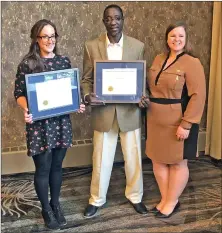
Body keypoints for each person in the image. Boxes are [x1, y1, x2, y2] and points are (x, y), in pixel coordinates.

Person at [14, 19, 85, 229]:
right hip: (39, 126)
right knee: (43, 168)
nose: (50, 40)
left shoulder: (63, 61)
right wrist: (27, 109)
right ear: (37, 38)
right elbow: (19, 94)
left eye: (53, 36)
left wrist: (77, 104)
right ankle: (46, 209)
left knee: (57, 166)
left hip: (61, 122)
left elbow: (71, 92)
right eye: (45, 36)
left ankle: (56, 204)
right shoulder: (28, 64)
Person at [81, 4, 149, 218]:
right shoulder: (91, 46)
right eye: (108, 19)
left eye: (117, 18)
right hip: (104, 112)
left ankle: (135, 196)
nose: (113, 23)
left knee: (133, 157)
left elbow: (141, 81)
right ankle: (97, 199)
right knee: (100, 158)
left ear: (123, 20)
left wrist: (144, 96)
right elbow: (87, 79)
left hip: (130, 112)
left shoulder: (137, 46)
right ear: (103, 21)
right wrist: (86, 95)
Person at [146, 21, 206, 218]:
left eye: (180, 36)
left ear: (186, 39)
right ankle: (167, 198)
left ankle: (171, 202)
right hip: (155, 120)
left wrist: (186, 124)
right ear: (166, 38)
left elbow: (198, 96)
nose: (176, 39)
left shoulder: (192, 62)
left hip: (179, 122)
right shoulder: (158, 58)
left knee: (177, 163)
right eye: (173, 35)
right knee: (158, 160)